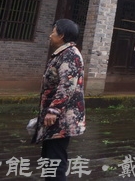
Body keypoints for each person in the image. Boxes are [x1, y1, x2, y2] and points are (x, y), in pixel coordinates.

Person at [31, 19, 86, 180]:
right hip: (56, 117)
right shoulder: (63, 53)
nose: (50, 35)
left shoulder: (70, 54)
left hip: (61, 119)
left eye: (53, 32)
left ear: (61, 35)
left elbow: (67, 85)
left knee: (55, 161)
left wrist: (54, 110)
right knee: (49, 159)